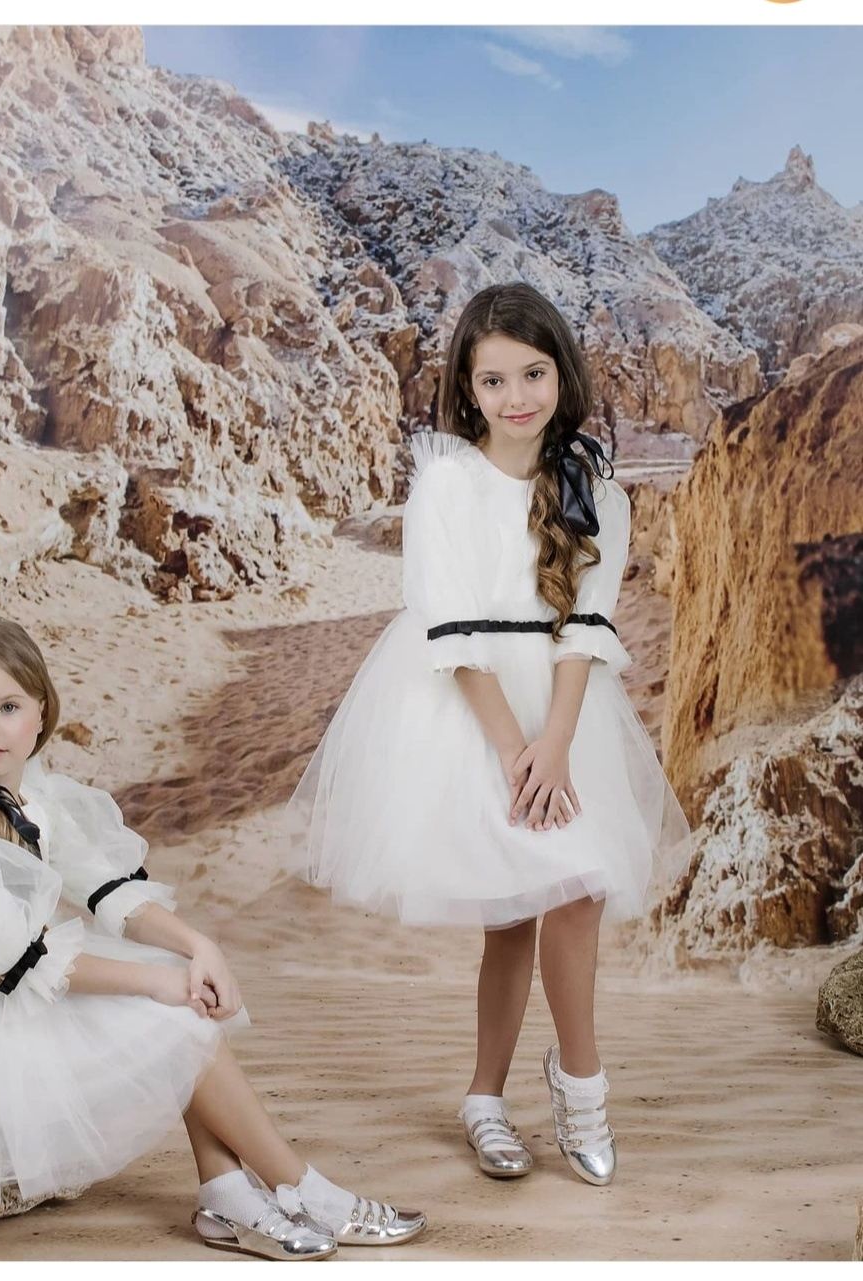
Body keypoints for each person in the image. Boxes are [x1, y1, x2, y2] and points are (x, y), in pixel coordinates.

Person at [0, 618, 426, 1258]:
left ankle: (228, 1194)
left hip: (13, 987)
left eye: (7, 707)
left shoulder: (36, 797)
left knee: (176, 991)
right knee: (172, 1007)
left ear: (40, 710)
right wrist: (161, 982)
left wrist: (198, 947)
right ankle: (301, 1188)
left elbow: (108, 890)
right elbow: (24, 962)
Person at [287, 282, 691, 1188]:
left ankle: (581, 1087)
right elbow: (454, 630)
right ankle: (485, 1099)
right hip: (470, 713)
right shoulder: (448, 482)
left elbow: (587, 630)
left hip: (561, 713)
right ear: (468, 389)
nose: (517, 397)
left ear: (563, 374)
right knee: (508, 918)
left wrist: (556, 743)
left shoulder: (597, 491)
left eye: (534, 374)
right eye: (494, 379)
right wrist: (514, 751)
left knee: (577, 890)